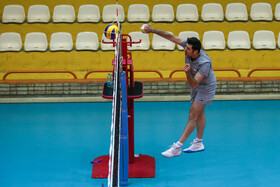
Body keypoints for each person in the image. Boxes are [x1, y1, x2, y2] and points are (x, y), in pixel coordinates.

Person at [142, 25, 216, 158]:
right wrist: (152, 30)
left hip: (205, 87)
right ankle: (198, 143)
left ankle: (177, 147)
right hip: (198, 84)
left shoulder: (204, 63)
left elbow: (193, 84)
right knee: (200, 113)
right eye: (185, 47)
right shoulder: (189, 48)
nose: (184, 50)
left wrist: (187, 73)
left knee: (193, 114)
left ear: (195, 51)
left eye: (188, 49)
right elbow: (170, 36)